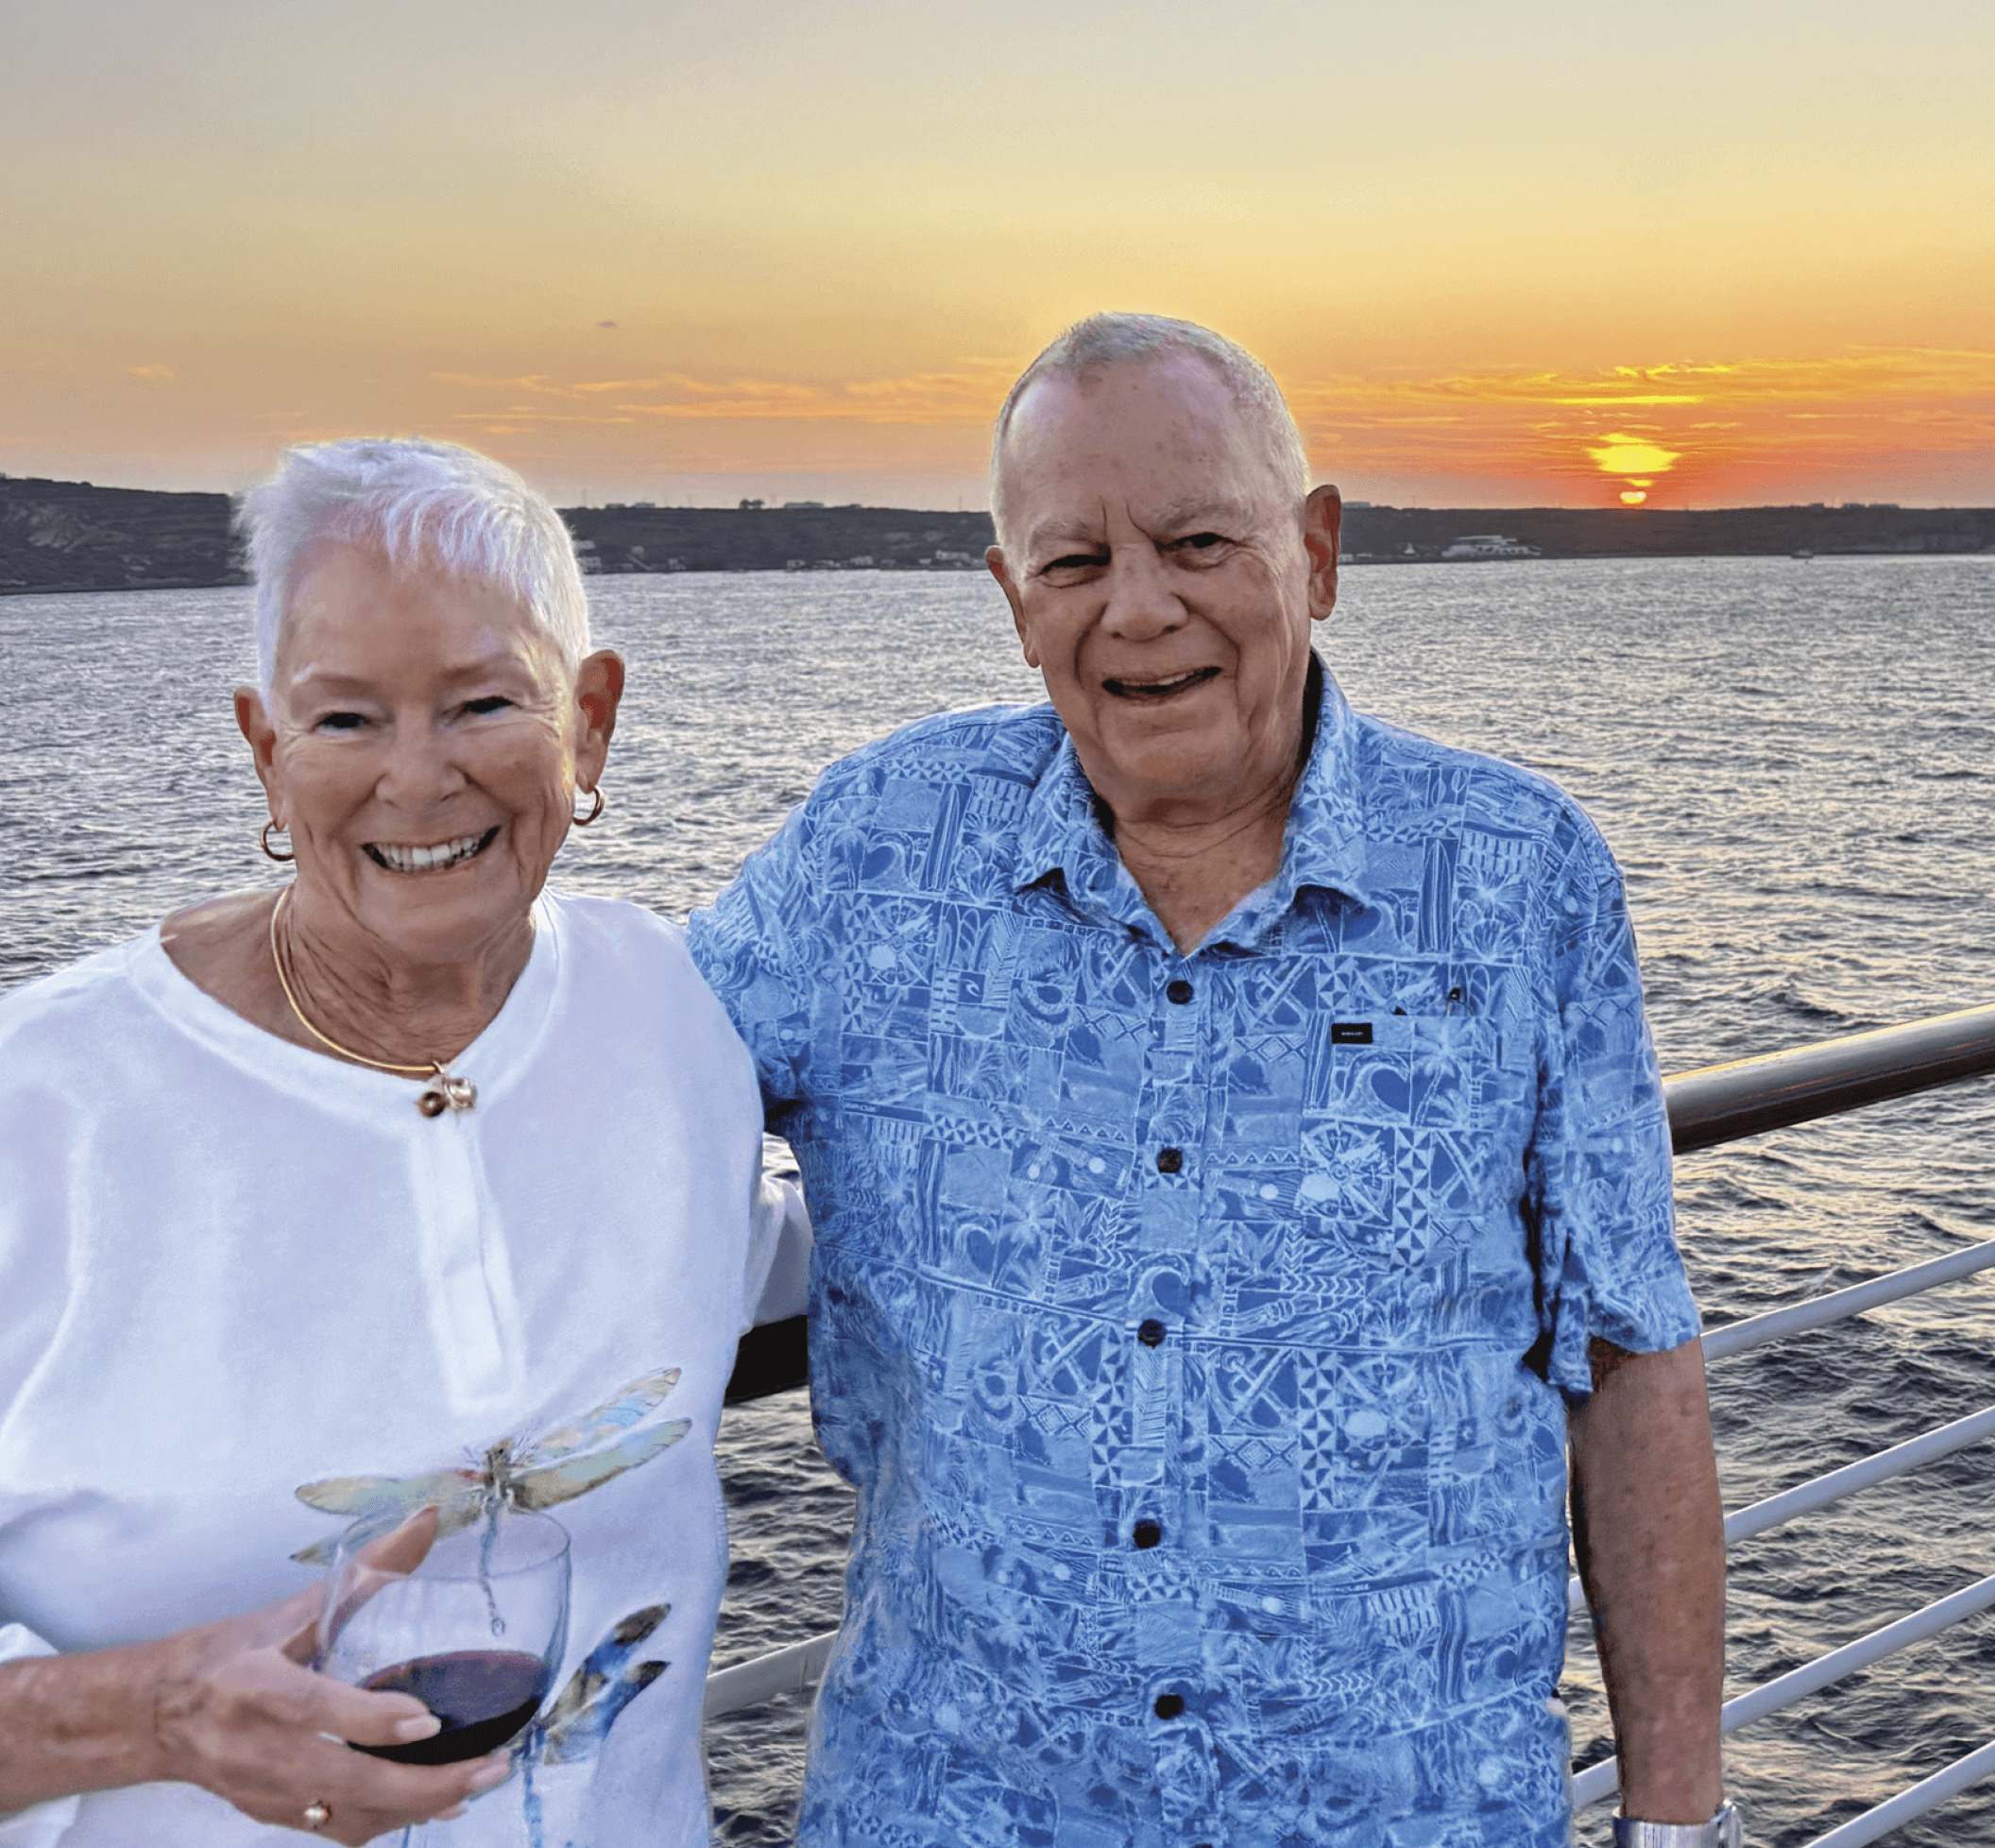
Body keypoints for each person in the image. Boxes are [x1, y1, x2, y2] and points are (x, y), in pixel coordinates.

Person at [689, 315, 1731, 1847]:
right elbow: (598, 1088)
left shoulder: (1517, 881)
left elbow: (1634, 1355)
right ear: (1009, 597)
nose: (1140, 609)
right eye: (1074, 563)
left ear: (1316, 553)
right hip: (960, 1805)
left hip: (1403, 1812)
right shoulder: (875, 854)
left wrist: (1676, 1825)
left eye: (1195, 541)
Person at [0, 438, 806, 1848]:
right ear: (264, 747)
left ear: (591, 721)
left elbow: (763, 1253)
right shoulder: (49, 1104)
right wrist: (152, 1713)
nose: (418, 780)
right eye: (345, 721)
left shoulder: (669, 1015)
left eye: (484, 702)